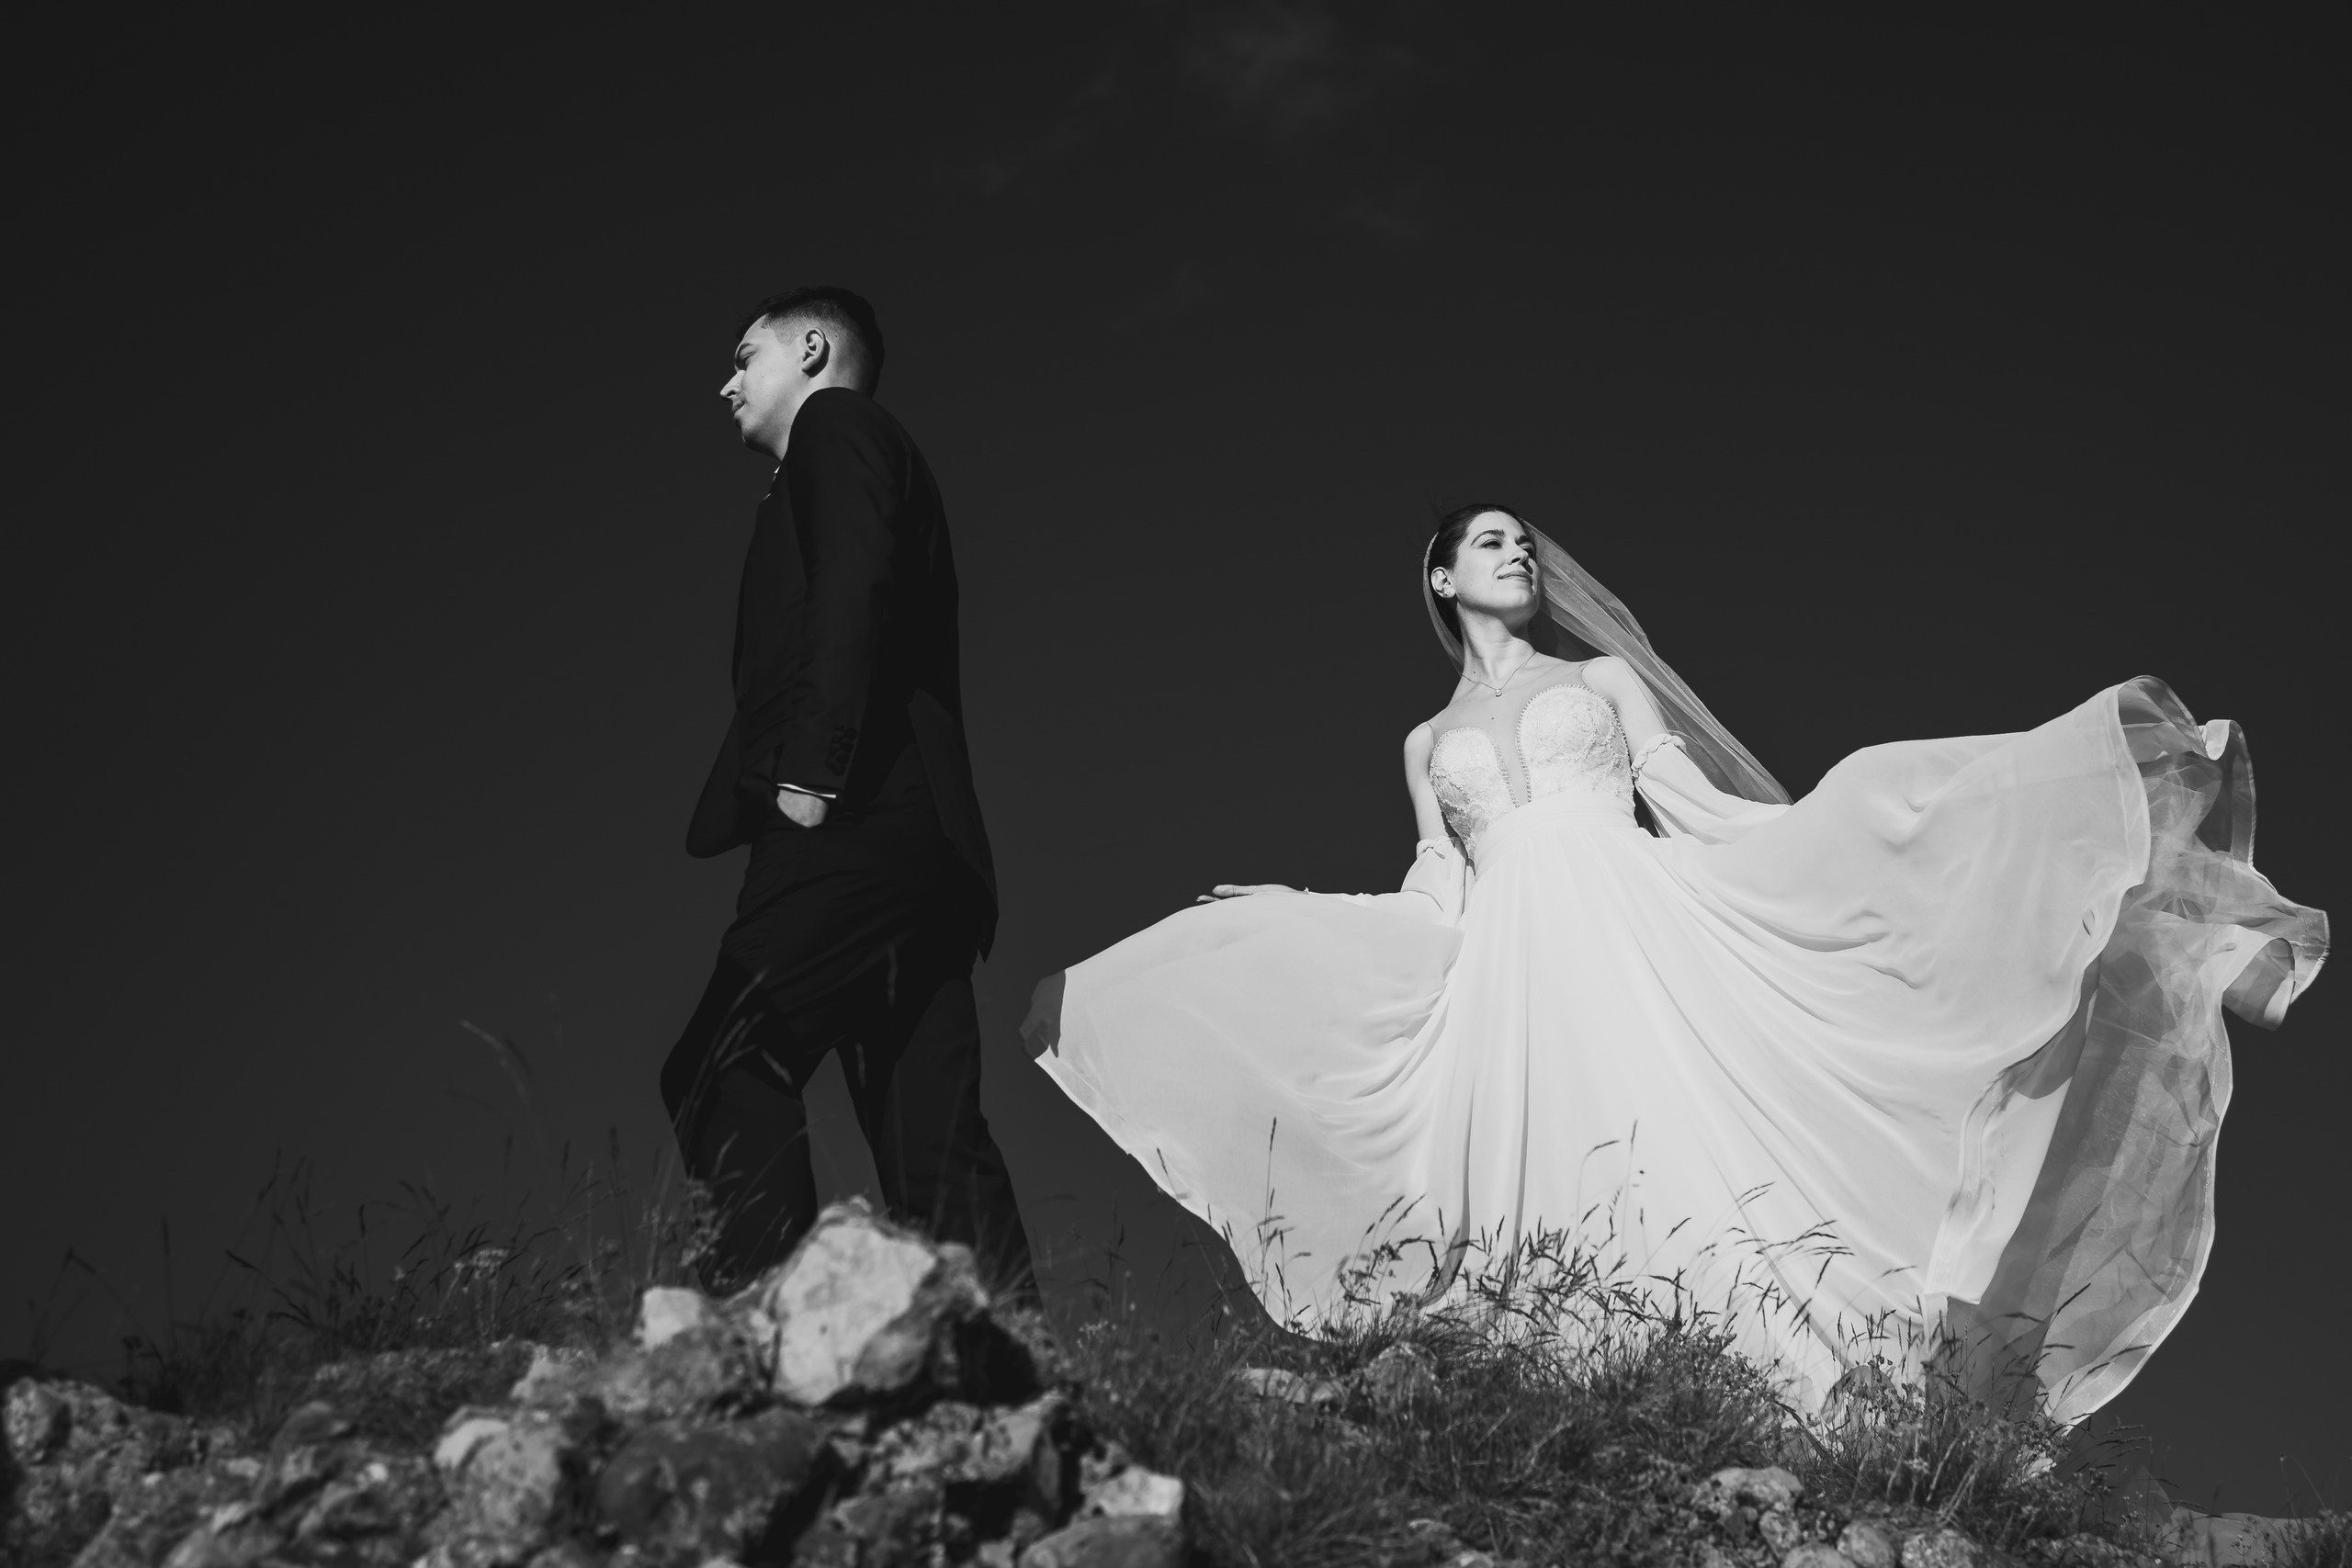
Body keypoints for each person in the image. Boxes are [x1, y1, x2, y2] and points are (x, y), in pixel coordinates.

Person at [1023, 503, 2326, 1417]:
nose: (1517, 553)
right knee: (1563, 1159)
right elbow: (1439, 887)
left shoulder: (1601, 677)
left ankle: (2150, 879)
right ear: (1439, 580)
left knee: (1691, 1116)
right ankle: (1598, 1385)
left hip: (1629, 915)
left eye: (1523, 542)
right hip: (1515, 973)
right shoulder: (1426, 741)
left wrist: (1825, 839)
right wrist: (1294, 905)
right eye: (1489, 543)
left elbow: (1683, 800)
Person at [662, 286, 1033, 1293]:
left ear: (812, 350)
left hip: (851, 815)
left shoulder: (837, 425)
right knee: (932, 1144)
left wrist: (809, 775)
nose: (725, 382)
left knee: (718, 1062)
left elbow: (853, 584)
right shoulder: (824, 464)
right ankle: (1017, 1363)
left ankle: (766, 1319)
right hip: (924, 850)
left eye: (745, 357)